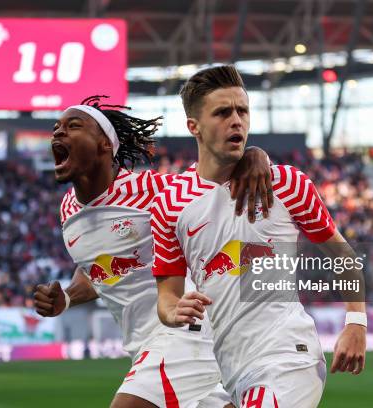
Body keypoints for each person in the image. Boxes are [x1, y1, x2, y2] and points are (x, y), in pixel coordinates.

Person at [33, 95, 274, 408]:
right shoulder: (67, 211)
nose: (58, 133)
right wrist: (66, 297)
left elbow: (216, 174)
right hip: (143, 344)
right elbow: (98, 269)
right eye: (56, 128)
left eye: (72, 126)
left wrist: (255, 156)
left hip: (182, 330)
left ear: (105, 144)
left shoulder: (153, 190)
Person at [152, 66, 367, 407]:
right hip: (229, 369)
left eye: (242, 110)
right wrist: (174, 310)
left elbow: (342, 254)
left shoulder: (287, 184)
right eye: (222, 112)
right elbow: (166, 296)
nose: (236, 120)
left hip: (287, 358)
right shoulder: (168, 204)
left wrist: (356, 322)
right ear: (193, 126)